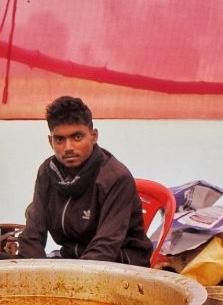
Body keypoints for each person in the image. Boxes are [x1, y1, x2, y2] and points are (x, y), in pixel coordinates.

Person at [14, 96, 153, 266]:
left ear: (93, 136)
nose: (68, 147)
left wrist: (72, 278)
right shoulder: (47, 172)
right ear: (50, 141)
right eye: (60, 139)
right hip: (73, 260)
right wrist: (34, 272)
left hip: (121, 263)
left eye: (77, 137)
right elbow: (32, 235)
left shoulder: (116, 177)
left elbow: (106, 246)